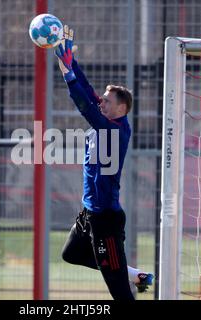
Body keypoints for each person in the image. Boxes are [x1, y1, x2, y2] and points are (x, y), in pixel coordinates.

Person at [55, 25, 154, 300]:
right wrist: (70, 62)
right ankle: (136, 275)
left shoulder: (113, 129)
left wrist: (67, 74)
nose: (102, 103)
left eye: (108, 101)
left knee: (120, 293)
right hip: (90, 212)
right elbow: (88, 92)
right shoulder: (109, 119)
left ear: (120, 108)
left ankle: (129, 277)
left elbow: (84, 105)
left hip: (105, 218)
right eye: (104, 100)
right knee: (72, 253)